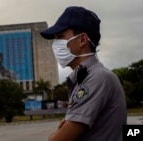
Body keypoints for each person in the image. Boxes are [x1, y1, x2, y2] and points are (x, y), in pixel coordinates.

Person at [40, 6, 127, 141]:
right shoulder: (84, 78)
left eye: (60, 37)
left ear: (82, 40)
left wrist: (60, 131)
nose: (55, 44)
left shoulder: (96, 79)